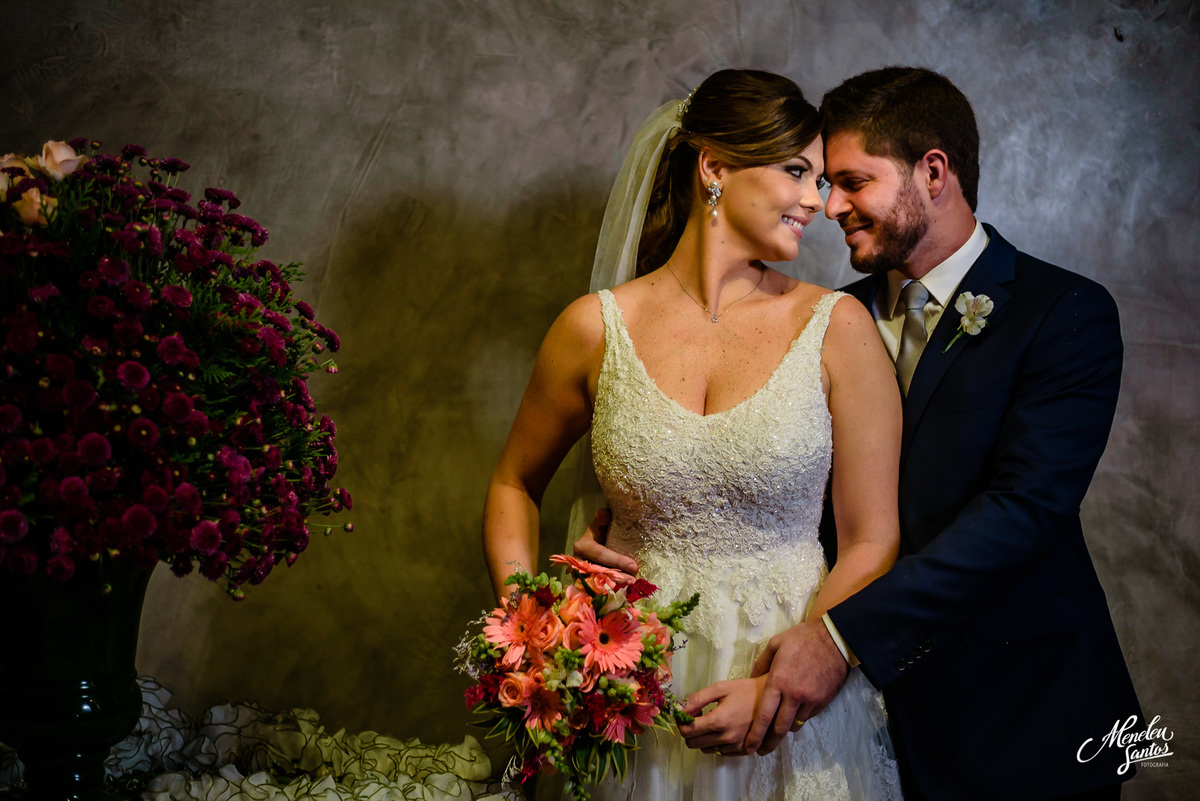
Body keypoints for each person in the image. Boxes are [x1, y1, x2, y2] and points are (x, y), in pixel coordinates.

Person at [482, 69, 904, 800]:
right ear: (714, 168)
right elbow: (513, 482)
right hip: (633, 690)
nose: (818, 201)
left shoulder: (837, 327)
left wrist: (783, 689)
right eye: (797, 172)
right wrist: (533, 627)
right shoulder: (593, 328)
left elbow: (872, 539)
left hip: (789, 690)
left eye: (824, 178)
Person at [729, 67, 1144, 801]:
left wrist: (842, 636)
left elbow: (1023, 511)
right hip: (855, 726)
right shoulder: (826, 320)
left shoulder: (1064, 312)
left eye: (853, 182)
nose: (830, 206)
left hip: (1020, 715)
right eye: (827, 183)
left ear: (933, 171)